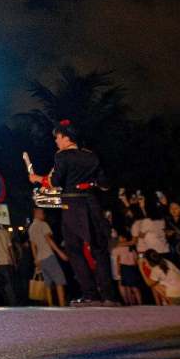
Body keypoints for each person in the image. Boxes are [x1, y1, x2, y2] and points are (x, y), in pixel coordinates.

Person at [29, 121, 117, 305]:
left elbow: (55, 182)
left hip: (72, 205)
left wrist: (37, 178)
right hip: (92, 203)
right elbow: (104, 184)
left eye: (57, 137)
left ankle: (90, 294)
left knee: (74, 249)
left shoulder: (62, 156)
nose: (56, 141)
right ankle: (109, 295)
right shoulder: (91, 156)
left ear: (66, 138)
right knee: (100, 249)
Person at [28, 208, 68, 306]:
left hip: (40, 258)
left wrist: (36, 259)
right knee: (59, 281)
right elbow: (49, 240)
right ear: (37, 213)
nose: (44, 215)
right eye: (42, 213)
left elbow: (33, 245)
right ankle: (62, 305)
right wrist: (60, 253)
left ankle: (50, 305)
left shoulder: (31, 228)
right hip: (48, 255)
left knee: (47, 283)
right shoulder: (43, 224)